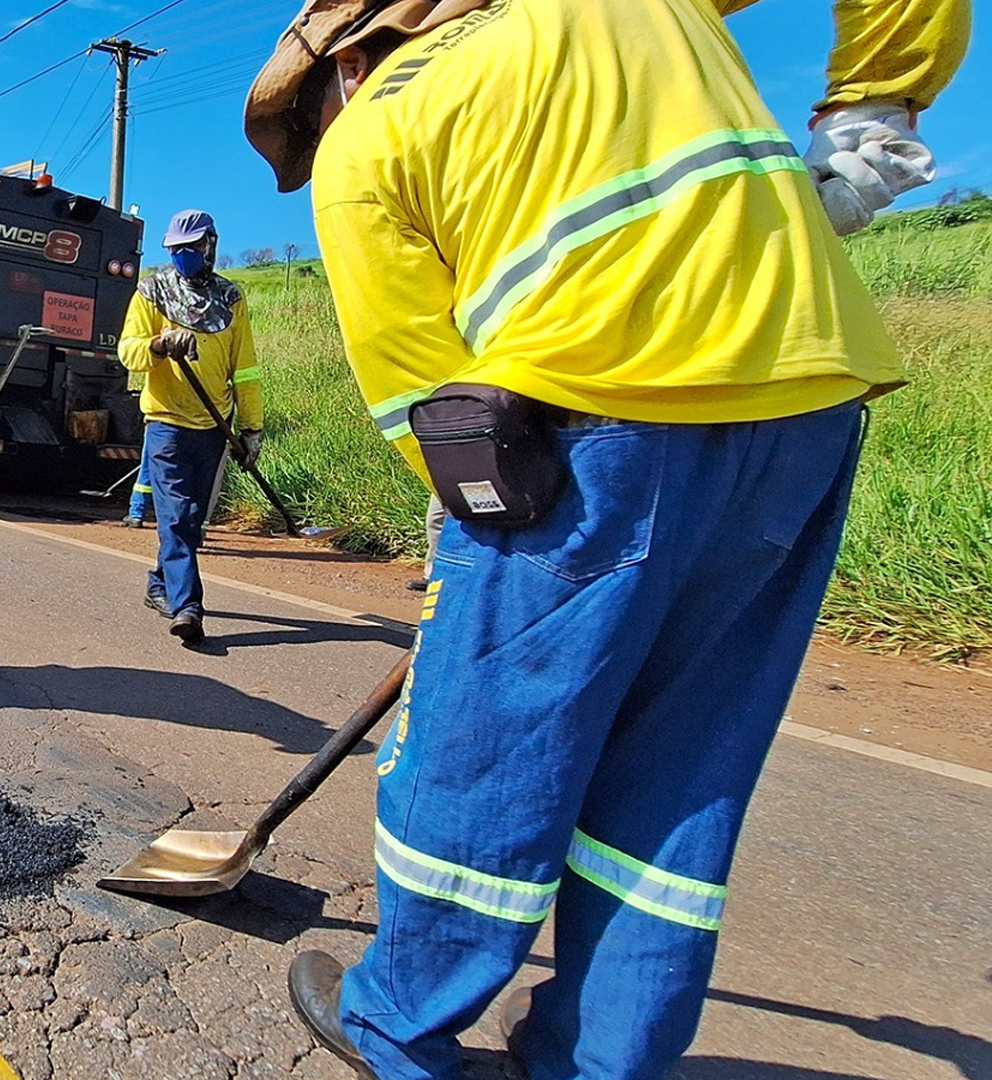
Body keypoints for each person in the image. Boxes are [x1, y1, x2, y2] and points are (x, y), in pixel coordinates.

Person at [243, 1, 966, 1078]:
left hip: (583, 428)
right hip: (805, 403)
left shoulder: (366, 134)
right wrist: (874, 104)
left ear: (345, 61)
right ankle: (601, 1058)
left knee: (482, 755)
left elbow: (416, 398)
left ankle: (401, 1025)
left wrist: (474, 529)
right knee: (682, 768)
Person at [116, 209, 264, 646]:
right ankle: (187, 607)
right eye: (176, 249)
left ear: (210, 247)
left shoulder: (231, 299)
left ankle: (160, 582)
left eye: (192, 247)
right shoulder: (153, 292)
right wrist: (158, 345)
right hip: (166, 422)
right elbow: (128, 350)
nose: (183, 255)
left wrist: (251, 428)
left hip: (215, 426)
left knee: (192, 519)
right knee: (177, 515)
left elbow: (246, 369)